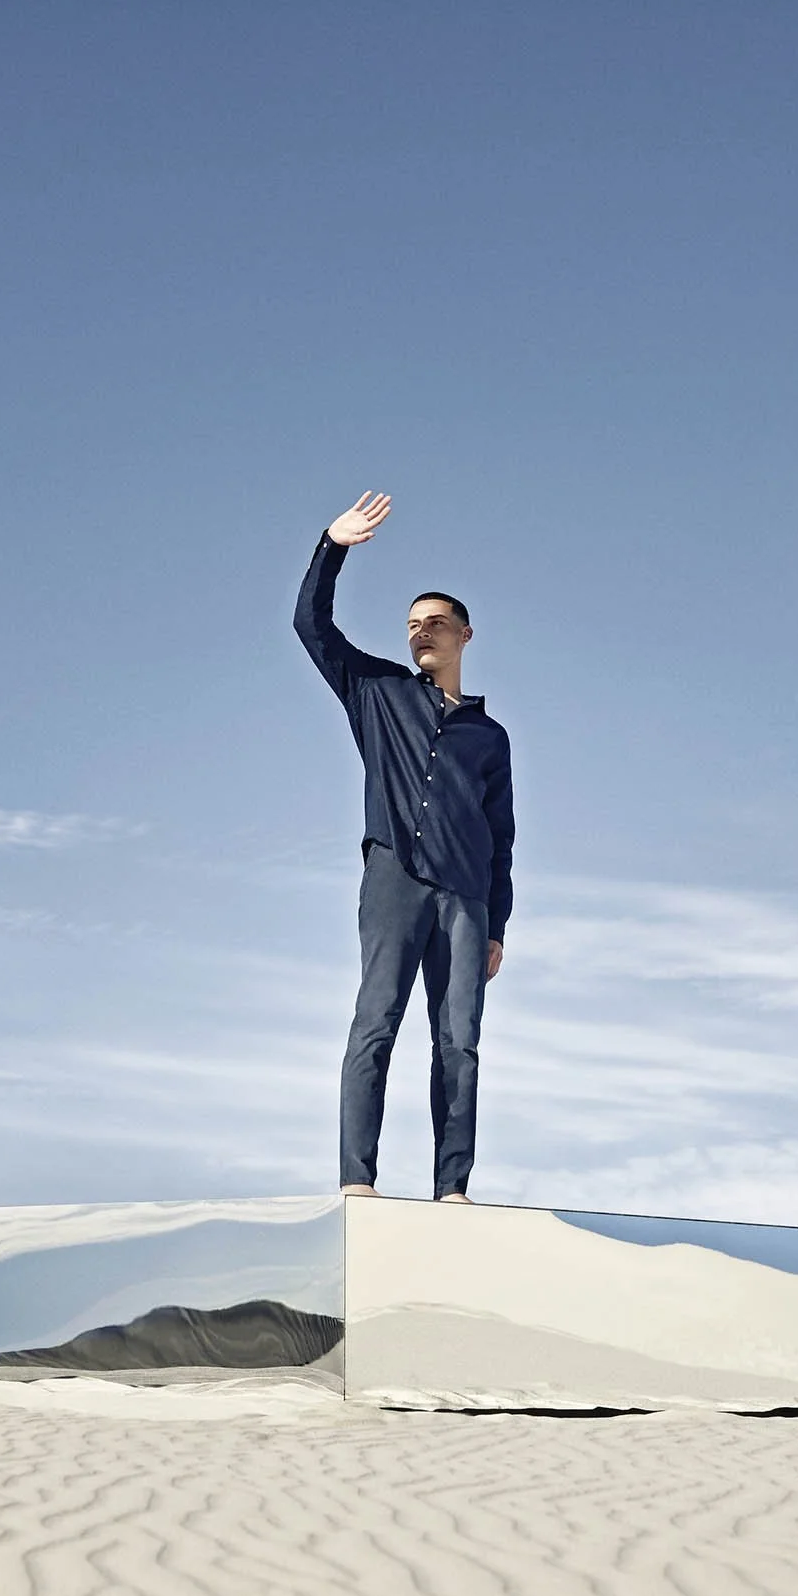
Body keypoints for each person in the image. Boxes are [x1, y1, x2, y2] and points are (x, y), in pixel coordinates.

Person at [294, 491, 515, 1203]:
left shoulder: (490, 737)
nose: (422, 633)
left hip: (466, 899)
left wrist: (496, 924)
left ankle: (453, 1189)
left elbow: (501, 837)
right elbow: (311, 625)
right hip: (392, 877)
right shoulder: (379, 691)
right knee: (375, 1023)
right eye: (413, 624)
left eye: (436, 623)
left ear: (465, 636)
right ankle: (358, 1181)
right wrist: (333, 545)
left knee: (459, 1044)